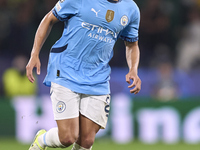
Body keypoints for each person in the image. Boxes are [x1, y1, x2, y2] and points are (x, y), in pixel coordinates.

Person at [26, 0, 141, 149]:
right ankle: (41, 139)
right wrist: (34, 53)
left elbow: (132, 44)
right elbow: (49, 19)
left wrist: (133, 69)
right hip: (66, 70)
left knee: (86, 141)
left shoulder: (131, 9)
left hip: (98, 78)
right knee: (67, 137)